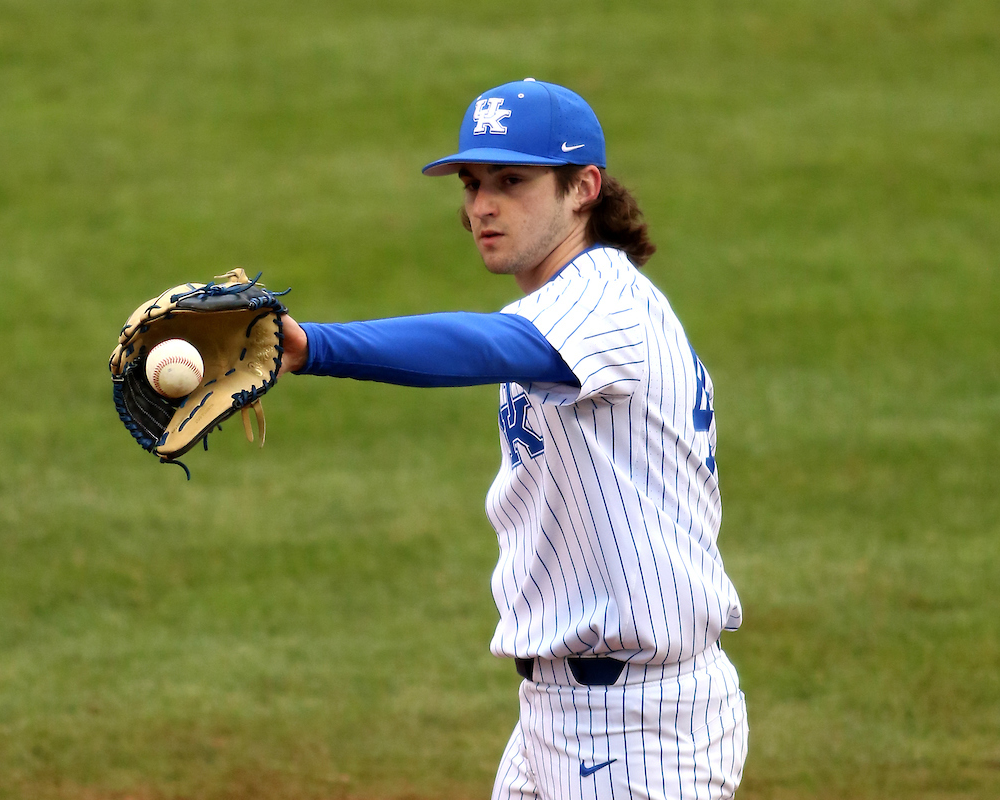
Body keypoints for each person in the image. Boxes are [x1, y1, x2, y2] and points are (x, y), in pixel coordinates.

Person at [278, 78, 747, 800]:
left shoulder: (602, 303)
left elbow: (478, 344)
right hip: (557, 715)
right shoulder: (560, 306)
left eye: (512, 181)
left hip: (635, 729)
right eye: (471, 183)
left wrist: (314, 347)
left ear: (582, 187)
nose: (481, 206)